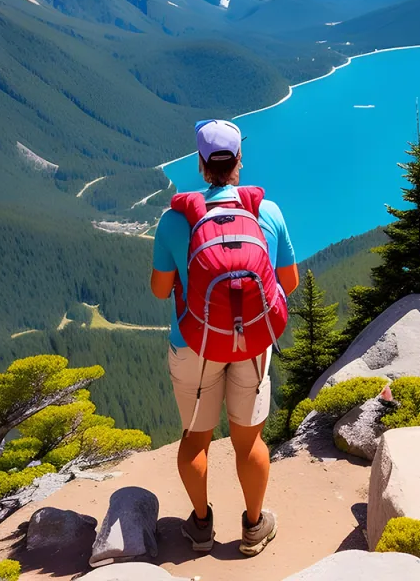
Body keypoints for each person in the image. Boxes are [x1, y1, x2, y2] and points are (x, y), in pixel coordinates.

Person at [150, 119, 299, 556]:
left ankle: (199, 528)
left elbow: (161, 291)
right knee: (248, 440)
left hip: (194, 344)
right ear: (238, 161)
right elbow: (286, 283)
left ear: (200, 164)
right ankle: (254, 527)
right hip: (251, 345)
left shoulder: (174, 221)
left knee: (195, 439)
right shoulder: (266, 212)